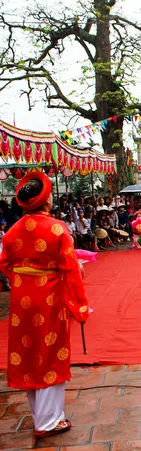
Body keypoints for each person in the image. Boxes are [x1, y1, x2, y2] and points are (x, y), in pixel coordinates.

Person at [0, 171, 89, 438]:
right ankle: (48, 422)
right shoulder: (57, 228)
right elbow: (71, 270)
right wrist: (80, 306)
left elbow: (5, 264)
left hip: (21, 299)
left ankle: (43, 415)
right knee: (50, 353)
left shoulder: (11, 231)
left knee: (28, 354)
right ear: (46, 200)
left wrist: (23, 278)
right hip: (49, 297)